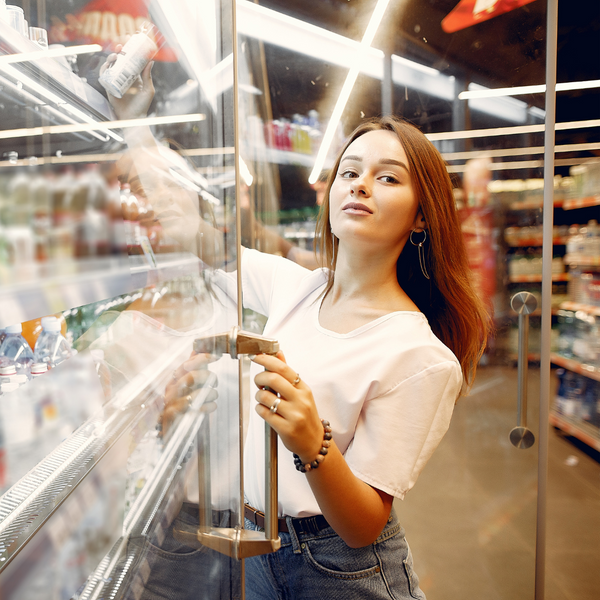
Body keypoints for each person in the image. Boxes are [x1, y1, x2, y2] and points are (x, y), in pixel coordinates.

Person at [102, 52, 489, 600]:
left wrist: (313, 439)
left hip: (340, 570)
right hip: (259, 547)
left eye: (387, 178)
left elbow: (363, 526)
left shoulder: (419, 355)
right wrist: (134, 124)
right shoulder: (298, 288)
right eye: (349, 173)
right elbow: (191, 230)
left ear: (423, 215)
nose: (359, 185)